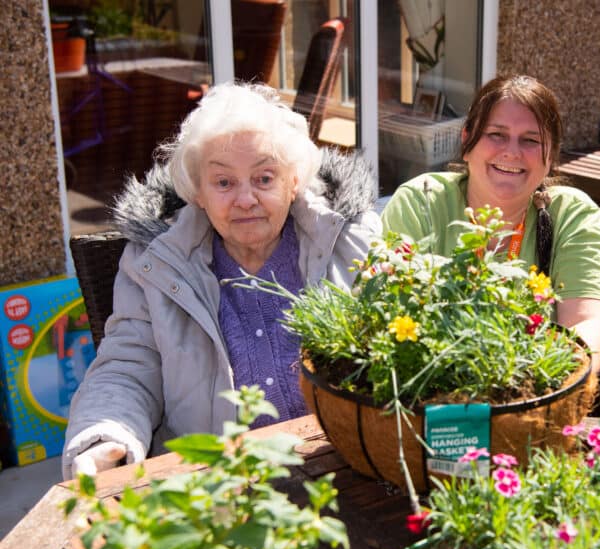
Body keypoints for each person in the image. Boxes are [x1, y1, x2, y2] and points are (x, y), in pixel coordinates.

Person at [62, 83, 381, 479]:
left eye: (264, 178)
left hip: (344, 464)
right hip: (214, 483)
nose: (245, 199)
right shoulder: (157, 262)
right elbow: (129, 362)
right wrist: (105, 435)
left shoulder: (348, 241)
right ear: (198, 192)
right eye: (224, 183)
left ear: (294, 181)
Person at [381, 75, 600, 371]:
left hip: (536, 397)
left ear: (551, 154)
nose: (512, 152)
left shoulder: (571, 215)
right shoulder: (421, 202)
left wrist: (535, 388)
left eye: (531, 140)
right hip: (430, 392)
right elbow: (391, 316)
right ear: (467, 142)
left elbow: (584, 327)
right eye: (496, 134)